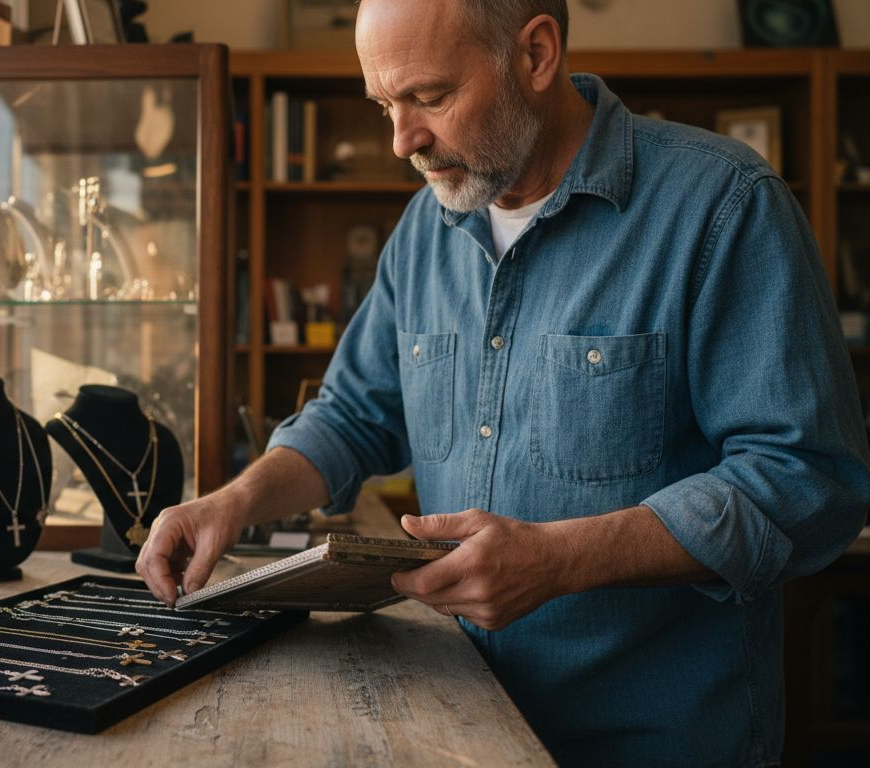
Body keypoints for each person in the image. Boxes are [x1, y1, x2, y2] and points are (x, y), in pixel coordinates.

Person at [137, 0, 870, 764]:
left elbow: (808, 480)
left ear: (537, 54)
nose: (402, 141)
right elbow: (354, 413)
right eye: (385, 105)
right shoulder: (426, 227)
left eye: (429, 96)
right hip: (458, 724)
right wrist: (232, 501)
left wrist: (562, 559)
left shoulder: (723, 206)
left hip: (652, 740)